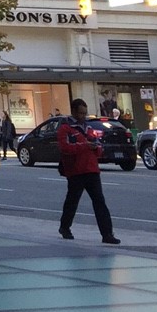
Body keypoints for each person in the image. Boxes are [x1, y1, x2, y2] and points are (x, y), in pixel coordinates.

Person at [57, 98, 120, 245]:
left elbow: (98, 148)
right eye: (80, 113)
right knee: (72, 201)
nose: (82, 116)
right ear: (73, 112)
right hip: (76, 171)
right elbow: (65, 148)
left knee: (99, 202)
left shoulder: (88, 129)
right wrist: (85, 146)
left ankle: (107, 234)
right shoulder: (65, 129)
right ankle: (65, 227)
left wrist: (95, 148)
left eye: (84, 113)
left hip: (91, 169)